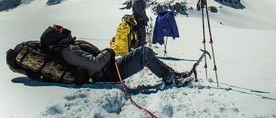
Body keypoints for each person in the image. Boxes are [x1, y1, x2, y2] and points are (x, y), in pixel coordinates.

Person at [44, 26, 190, 86]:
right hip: (109, 73)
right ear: (55, 38)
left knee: (143, 52)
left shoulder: (68, 47)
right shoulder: (68, 51)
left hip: (109, 67)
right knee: (144, 53)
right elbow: (94, 64)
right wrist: (108, 52)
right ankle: (171, 78)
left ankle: (171, 75)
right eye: (58, 29)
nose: (62, 28)